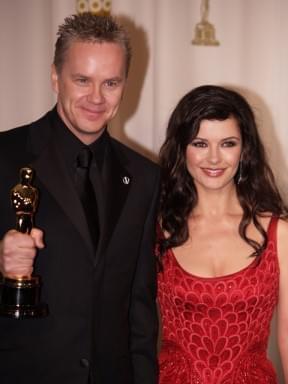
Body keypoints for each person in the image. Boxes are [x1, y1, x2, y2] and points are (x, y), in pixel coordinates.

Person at [0, 13, 160, 384]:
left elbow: (140, 307)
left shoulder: (145, 177)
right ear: (56, 78)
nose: (97, 98)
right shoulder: (5, 156)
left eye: (111, 82)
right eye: (82, 80)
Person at [156, 85, 288, 383]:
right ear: (181, 148)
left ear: (245, 150)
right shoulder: (156, 231)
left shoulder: (280, 235)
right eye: (200, 144)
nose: (214, 158)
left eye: (228, 143)